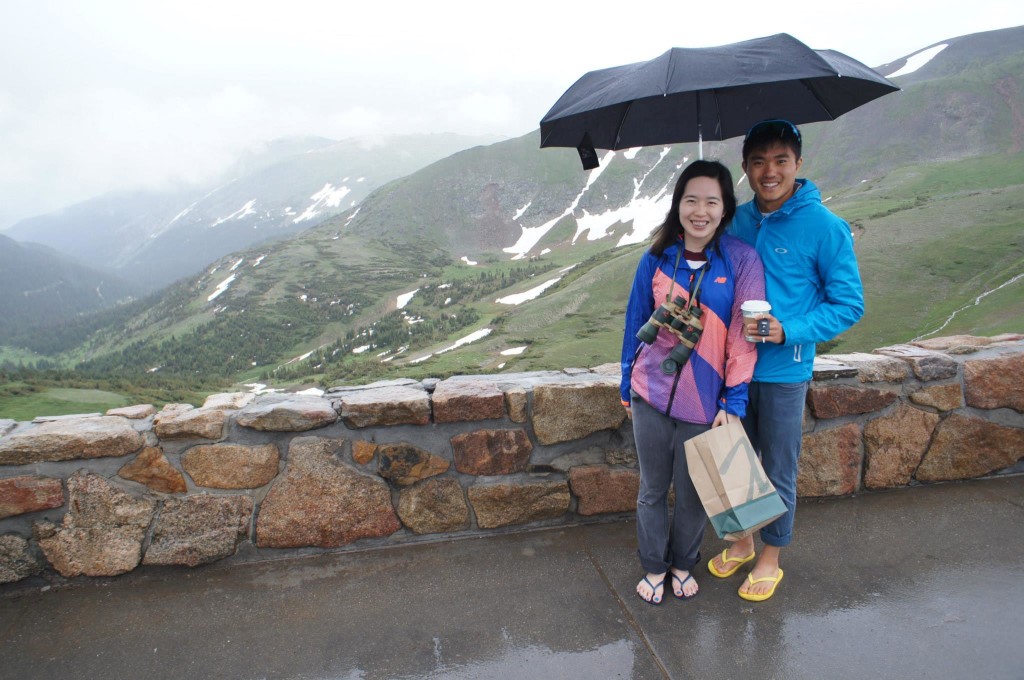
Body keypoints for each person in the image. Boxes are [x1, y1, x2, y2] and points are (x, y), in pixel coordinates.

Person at [710, 119, 865, 602]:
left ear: (799, 163)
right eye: (759, 162)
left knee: (777, 469)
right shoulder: (736, 219)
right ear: (745, 168)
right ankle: (740, 543)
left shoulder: (825, 227)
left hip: (784, 371)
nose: (769, 171)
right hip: (733, 369)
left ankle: (770, 558)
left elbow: (848, 304)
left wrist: (788, 329)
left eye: (780, 160)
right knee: (733, 464)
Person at [620, 160, 766, 605]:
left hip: (705, 400)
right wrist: (626, 383)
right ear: (678, 205)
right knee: (651, 489)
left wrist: (734, 399)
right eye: (691, 200)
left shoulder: (741, 259)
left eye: (711, 201)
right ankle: (653, 567)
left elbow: (743, 336)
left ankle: (683, 563)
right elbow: (633, 324)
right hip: (651, 393)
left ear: (725, 209)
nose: (699, 210)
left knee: (692, 493)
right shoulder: (658, 258)